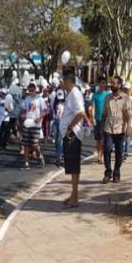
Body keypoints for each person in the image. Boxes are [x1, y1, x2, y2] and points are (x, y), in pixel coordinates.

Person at [60, 72, 86, 208]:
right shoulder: (71, 94)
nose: (62, 84)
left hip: (73, 135)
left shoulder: (75, 93)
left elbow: (81, 113)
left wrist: (70, 128)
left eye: (63, 82)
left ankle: (75, 198)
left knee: (74, 166)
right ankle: (73, 194)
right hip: (69, 134)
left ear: (68, 81)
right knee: (70, 166)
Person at [101, 76, 131, 183]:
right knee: (107, 150)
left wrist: (128, 127)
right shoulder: (107, 98)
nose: (112, 85)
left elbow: (128, 115)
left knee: (119, 153)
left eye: (114, 83)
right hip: (108, 128)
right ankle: (108, 173)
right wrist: (101, 127)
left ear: (119, 85)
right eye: (111, 83)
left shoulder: (125, 98)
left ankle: (116, 172)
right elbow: (104, 114)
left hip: (120, 129)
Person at [21, 83, 47, 169]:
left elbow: (45, 110)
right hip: (28, 122)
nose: (31, 92)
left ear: (35, 90)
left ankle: (39, 156)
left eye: (32, 90)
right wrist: (23, 115)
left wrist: (39, 118)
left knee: (35, 144)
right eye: (29, 91)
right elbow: (24, 109)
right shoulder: (27, 99)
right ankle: (26, 163)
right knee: (26, 144)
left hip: (36, 124)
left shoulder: (40, 99)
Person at [91, 76, 109, 164]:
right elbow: (93, 107)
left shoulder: (107, 95)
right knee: (98, 139)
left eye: (104, 83)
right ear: (98, 84)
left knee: (102, 138)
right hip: (97, 119)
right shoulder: (95, 95)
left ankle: (100, 156)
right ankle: (99, 154)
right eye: (101, 83)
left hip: (105, 119)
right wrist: (92, 118)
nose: (103, 85)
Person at [122, 86, 132, 161]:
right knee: (121, 137)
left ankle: (126, 153)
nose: (126, 91)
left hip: (130, 121)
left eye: (127, 90)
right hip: (120, 121)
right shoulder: (120, 98)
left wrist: (129, 107)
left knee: (127, 137)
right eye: (124, 89)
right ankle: (121, 153)